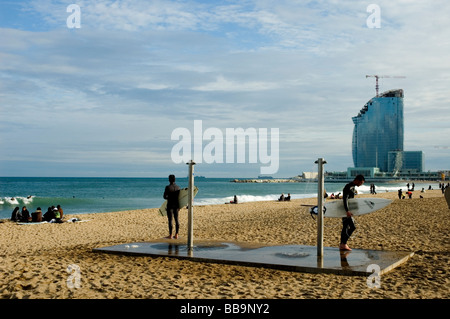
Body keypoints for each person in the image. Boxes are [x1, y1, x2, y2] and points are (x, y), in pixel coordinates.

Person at [339, 174, 365, 251]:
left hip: (348, 210)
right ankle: (343, 244)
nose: (361, 184)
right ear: (357, 180)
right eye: (361, 183)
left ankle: (342, 244)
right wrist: (347, 211)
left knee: (345, 227)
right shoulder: (349, 187)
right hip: (346, 211)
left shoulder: (352, 187)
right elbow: (345, 199)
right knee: (352, 227)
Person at [163, 174, 180, 239]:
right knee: (176, 219)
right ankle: (176, 234)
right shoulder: (178, 187)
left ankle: (170, 235)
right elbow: (179, 197)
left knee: (170, 220)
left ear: (169, 180)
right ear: (174, 179)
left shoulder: (167, 187)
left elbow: (164, 196)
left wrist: (168, 197)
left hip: (170, 205)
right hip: (176, 205)